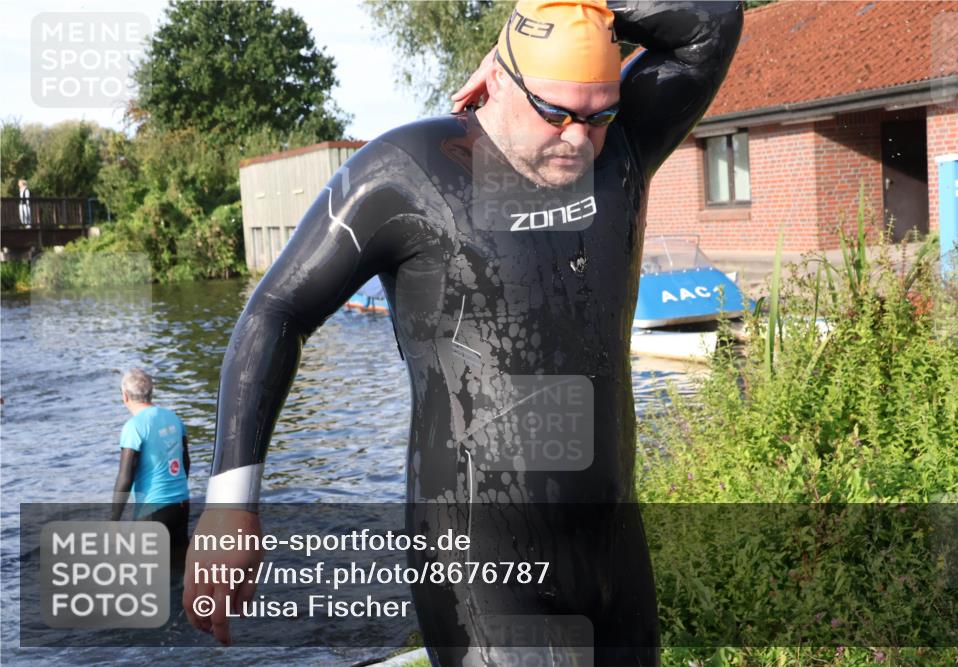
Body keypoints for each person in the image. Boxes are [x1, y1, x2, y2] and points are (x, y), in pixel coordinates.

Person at [184, 0, 742, 663]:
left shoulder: (620, 148)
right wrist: (229, 503)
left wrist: (581, 11)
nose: (576, 138)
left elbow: (716, 19)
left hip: (612, 553)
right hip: (481, 564)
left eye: (598, 114)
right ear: (500, 80)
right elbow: (277, 310)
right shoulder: (410, 173)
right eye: (556, 111)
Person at [112, 368, 191, 574]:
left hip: (153, 511)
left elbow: (125, 477)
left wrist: (113, 519)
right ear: (151, 392)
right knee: (179, 572)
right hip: (181, 506)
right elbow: (185, 462)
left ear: (125, 396)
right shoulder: (173, 418)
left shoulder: (134, 427)